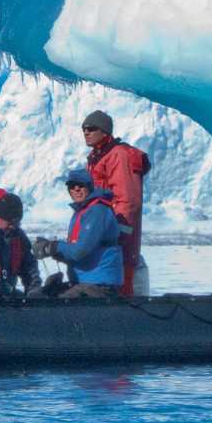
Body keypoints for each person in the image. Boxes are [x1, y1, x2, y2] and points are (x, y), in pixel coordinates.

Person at [82, 110, 150, 296]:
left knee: (122, 288)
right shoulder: (97, 158)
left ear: (105, 132)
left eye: (91, 128)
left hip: (118, 242)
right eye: (84, 129)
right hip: (103, 239)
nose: (86, 132)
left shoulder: (119, 155)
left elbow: (127, 201)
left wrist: (116, 233)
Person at [34, 168, 123, 298]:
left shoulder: (97, 211)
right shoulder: (83, 211)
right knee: (41, 295)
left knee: (57, 303)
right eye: (72, 186)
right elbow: (81, 252)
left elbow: (79, 251)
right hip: (84, 281)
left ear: (89, 187)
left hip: (99, 284)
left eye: (81, 185)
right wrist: (57, 254)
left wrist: (52, 247)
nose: (76, 189)